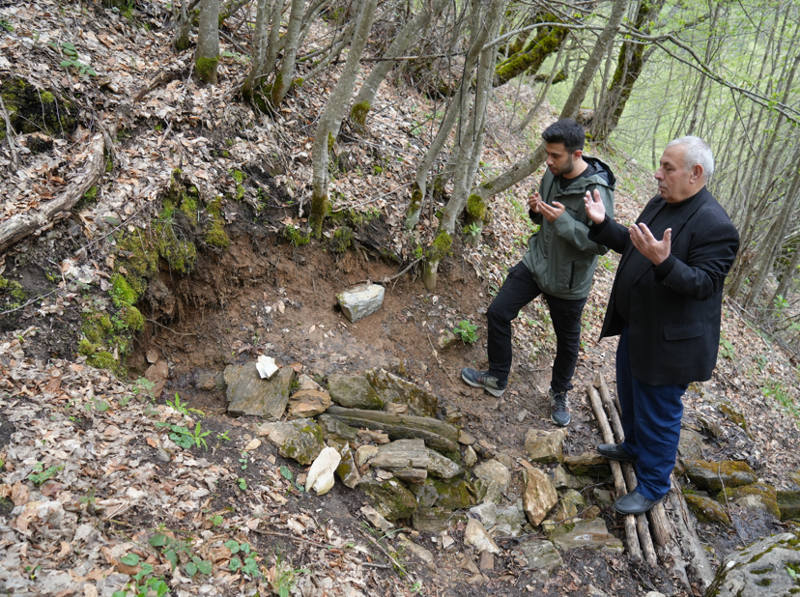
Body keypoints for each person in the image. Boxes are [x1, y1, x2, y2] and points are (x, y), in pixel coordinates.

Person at [584, 136, 739, 515]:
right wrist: (605, 225)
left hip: (671, 343)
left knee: (659, 412)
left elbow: (704, 284)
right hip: (638, 325)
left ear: (695, 173)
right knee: (630, 395)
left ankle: (653, 484)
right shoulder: (661, 202)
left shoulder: (716, 226)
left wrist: (664, 263)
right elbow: (637, 244)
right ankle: (634, 447)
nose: (658, 174)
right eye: (661, 165)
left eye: (668, 168)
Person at [462, 118, 615, 427]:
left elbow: (602, 244)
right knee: (498, 311)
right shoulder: (552, 173)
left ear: (576, 154)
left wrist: (563, 222)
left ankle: (559, 392)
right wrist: (536, 210)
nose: (548, 161)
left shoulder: (596, 190)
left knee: (567, 343)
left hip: (568, 280)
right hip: (536, 262)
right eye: (547, 153)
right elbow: (543, 218)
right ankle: (497, 377)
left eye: (555, 155)